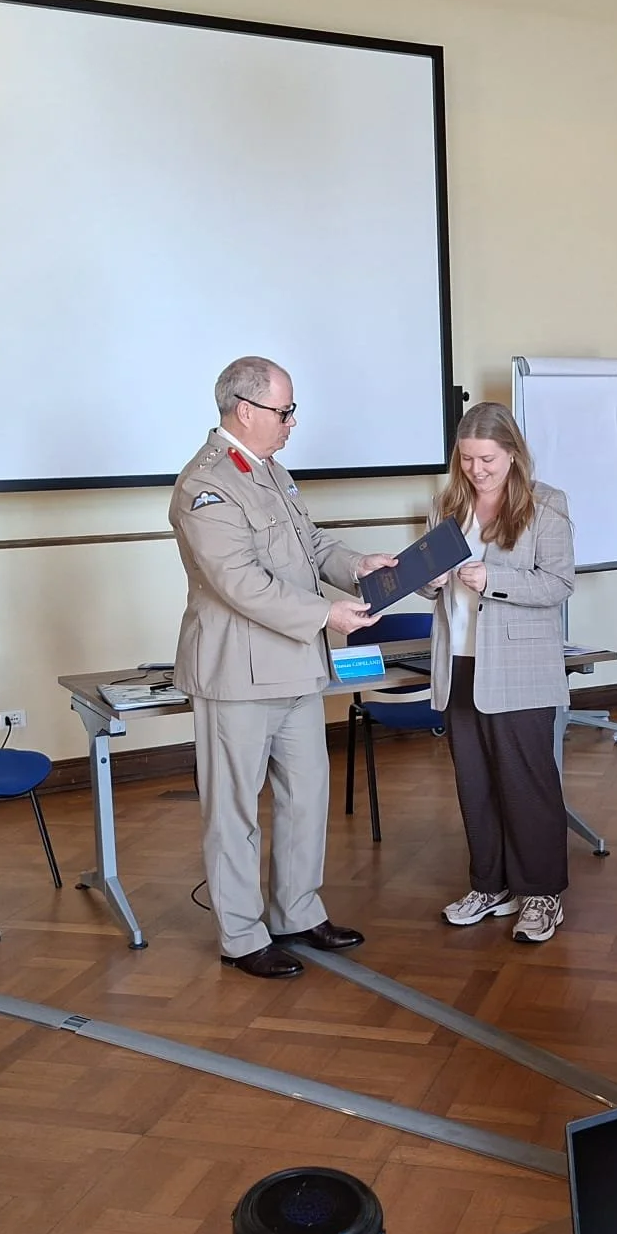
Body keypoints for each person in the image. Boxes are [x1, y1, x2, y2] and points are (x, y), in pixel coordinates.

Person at [169, 358, 396, 980]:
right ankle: (241, 936)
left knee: (305, 798)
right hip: (238, 675)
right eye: (284, 410)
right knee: (234, 810)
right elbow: (241, 582)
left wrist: (360, 566)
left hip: (295, 666)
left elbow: (310, 546)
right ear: (246, 410)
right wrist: (329, 613)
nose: (292, 422)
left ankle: (296, 912)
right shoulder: (206, 485)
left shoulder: (269, 470)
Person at [419, 404, 576, 944]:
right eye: (467, 460)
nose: (477, 470)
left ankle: (541, 894)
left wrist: (496, 578)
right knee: (475, 782)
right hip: (457, 662)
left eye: (487, 459)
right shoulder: (447, 504)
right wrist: (431, 582)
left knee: (526, 782)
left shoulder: (545, 506)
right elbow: (423, 581)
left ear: (513, 452)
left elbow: (558, 585)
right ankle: (491, 885)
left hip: (519, 666)